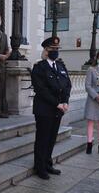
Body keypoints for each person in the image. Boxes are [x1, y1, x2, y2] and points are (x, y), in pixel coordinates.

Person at [31, 37, 72, 180]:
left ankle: (48, 163)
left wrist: (65, 101)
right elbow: (41, 89)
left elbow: (67, 84)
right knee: (42, 138)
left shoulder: (60, 66)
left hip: (58, 109)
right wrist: (57, 103)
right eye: (53, 49)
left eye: (57, 49)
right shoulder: (39, 67)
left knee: (52, 138)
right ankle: (39, 167)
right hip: (44, 109)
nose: (55, 52)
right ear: (46, 50)